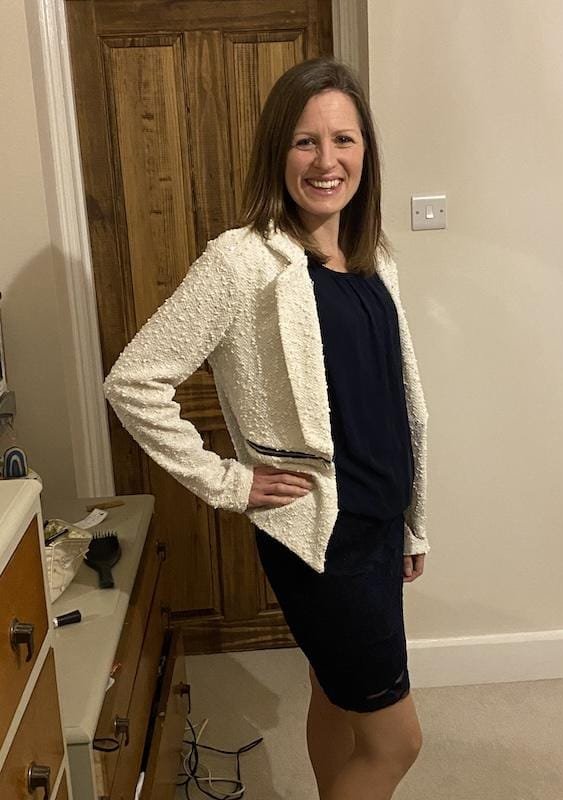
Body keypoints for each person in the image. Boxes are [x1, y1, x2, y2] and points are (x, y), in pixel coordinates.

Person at [104, 56, 429, 800]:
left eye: (343, 140)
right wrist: (228, 480)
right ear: (276, 153)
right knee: (398, 742)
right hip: (322, 537)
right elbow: (134, 381)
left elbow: (389, 401)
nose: (327, 160)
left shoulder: (374, 256)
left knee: (331, 689)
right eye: (305, 141)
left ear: (365, 151)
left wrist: (411, 523)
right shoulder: (242, 261)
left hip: (379, 524)